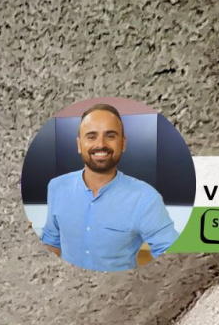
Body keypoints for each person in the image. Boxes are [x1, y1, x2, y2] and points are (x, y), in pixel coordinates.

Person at [40, 104, 178, 271]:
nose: (101, 144)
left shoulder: (146, 198)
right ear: (79, 144)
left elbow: (173, 256)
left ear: (123, 143)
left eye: (110, 136)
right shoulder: (57, 187)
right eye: (91, 136)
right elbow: (51, 242)